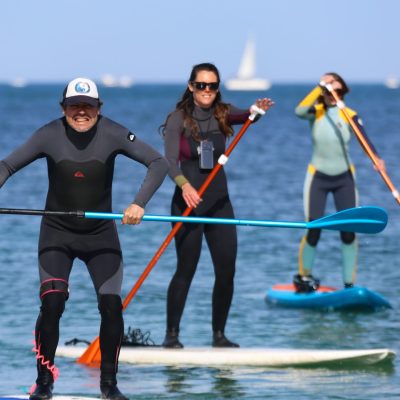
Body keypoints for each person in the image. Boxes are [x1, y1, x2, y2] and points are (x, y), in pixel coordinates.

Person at [0, 78, 168, 400]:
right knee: (52, 304)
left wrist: (139, 203)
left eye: (88, 105)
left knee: (111, 308)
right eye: (74, 105)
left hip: (100, 233)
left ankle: (109, 385)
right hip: (57, 233)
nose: (81, 112)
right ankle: (44, 383)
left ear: (99, 108)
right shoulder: (47, 135)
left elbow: (158, 163)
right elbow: (7, 165)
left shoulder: (114, 132)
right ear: (63, 108)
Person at [160, 62, 274, 348]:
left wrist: (256, 110)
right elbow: (169, 162)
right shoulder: (178, 118)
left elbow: (246, 116)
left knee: (227, 270)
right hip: (188, 204)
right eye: (201, 85)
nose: (207, 90)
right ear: (191, 87)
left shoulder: (222, 113)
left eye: (212, 85)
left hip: (220, 203)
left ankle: (219, 335)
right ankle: (172, 336)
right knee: (186, 269)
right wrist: (184, 186)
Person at [293, 72, 384, 292]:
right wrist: (320, 86)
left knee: (348, 231)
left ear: (343, 93)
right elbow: (299, 111)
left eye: (338, 90)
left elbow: (364, 139)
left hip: (344, 178)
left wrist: (376, 158)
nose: (333, 95)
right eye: (328, 91)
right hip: (318, 177)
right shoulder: (317, 112)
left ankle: (349, 284)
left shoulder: (349, 114)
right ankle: (304, 278)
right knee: (314, 227)